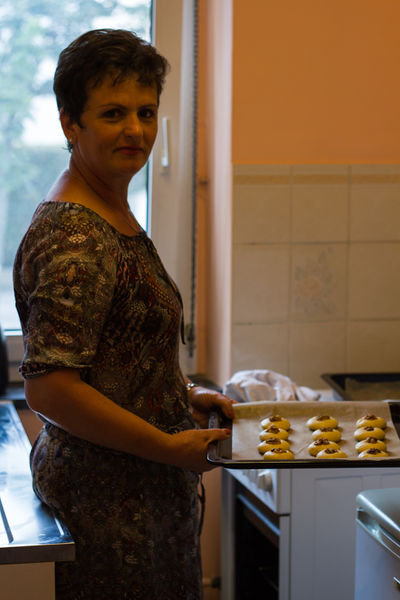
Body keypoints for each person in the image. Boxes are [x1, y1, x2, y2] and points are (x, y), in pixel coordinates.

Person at [13, 29, 234, 600]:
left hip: (140, 497)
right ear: (70, 124)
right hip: (109, 510)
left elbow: (115, 354)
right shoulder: (76, 233)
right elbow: (51, 389)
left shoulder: (110, 209)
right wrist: (168, 446)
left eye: (146, 112)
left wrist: (180, 394)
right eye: (113, 113)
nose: (136, 130)